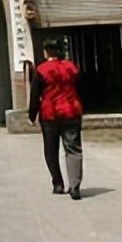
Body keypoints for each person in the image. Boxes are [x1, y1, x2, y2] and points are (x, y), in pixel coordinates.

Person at [28, 41, 84, 200]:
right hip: (71, 112)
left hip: (50, 114)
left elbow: (35, 95)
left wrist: (32, 115)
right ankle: (75, 186)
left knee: (51, 150)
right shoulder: (71, 68)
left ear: (46, 52)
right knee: (73, 149)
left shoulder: (41, 70)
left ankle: (58, 184)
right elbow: (81, 89)